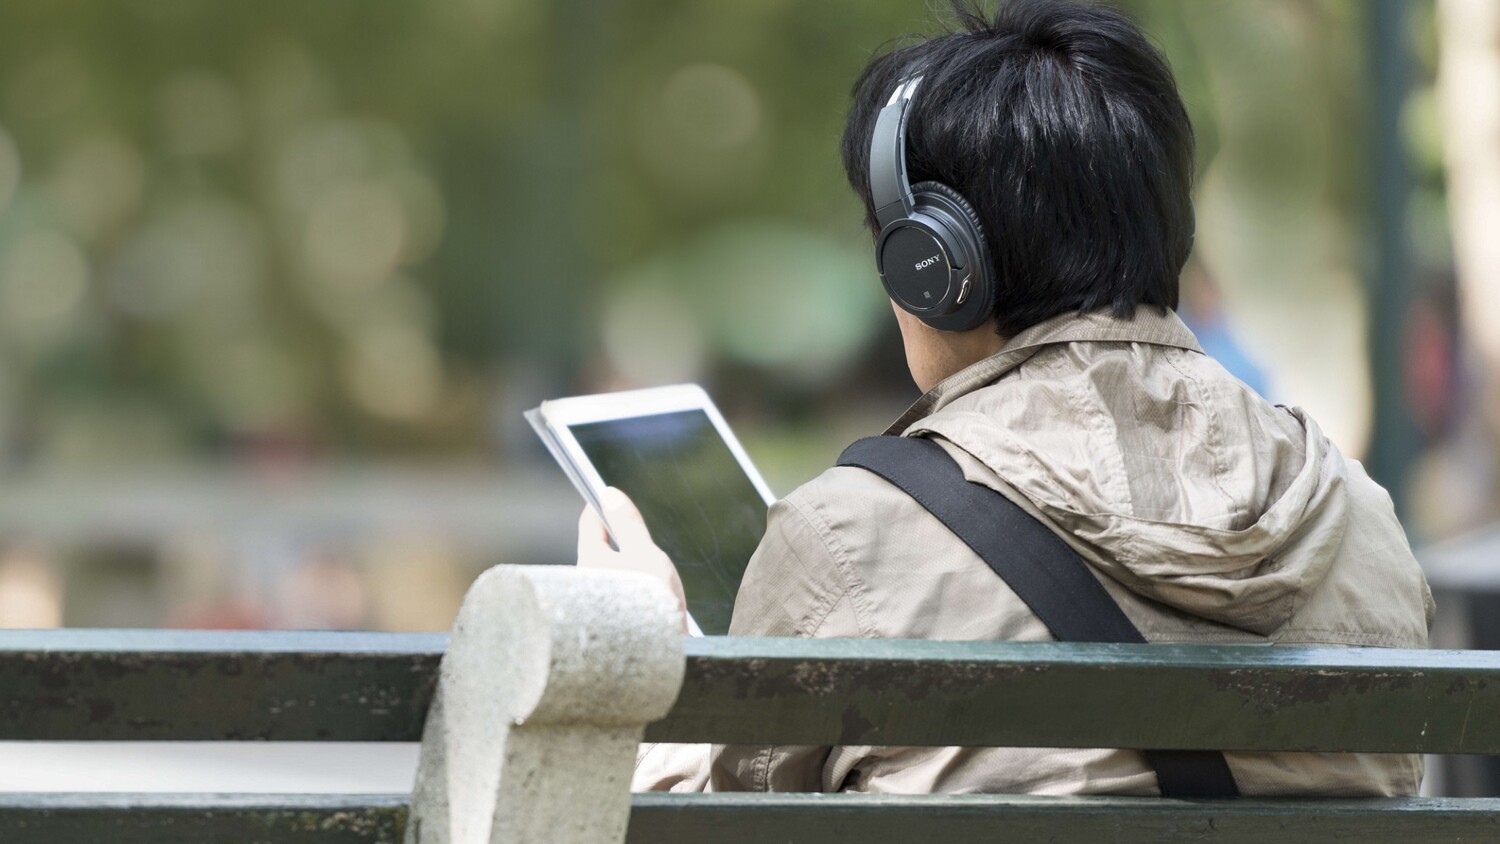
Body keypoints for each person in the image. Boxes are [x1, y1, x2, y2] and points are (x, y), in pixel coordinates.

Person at [579, 0, 1433, 795]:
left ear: (932, 264)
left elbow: (716, 823)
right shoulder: (1360, 519)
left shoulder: (847, 539)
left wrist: (638, 661)